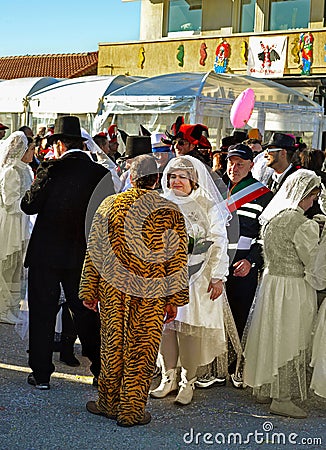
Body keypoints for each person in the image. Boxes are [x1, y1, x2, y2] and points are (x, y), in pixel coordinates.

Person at [80, 154, 189, 427]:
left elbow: (94, 251)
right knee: (142, 348)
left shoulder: (108, 205)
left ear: (131, 176)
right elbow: (177, 259)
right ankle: (131, 410)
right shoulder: (170, 211)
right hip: (151, 291)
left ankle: (108, 403)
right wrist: (174, 299)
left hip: (113, 288)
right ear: (156, 179)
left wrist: (88, 290)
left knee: (113, 344)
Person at [21, 116, 115, 390]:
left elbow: (29, 205)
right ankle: (100, 371)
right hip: (83, 257)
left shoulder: (51, 169)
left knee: (42, 313)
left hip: (46, 255)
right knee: (86, 313)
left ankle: (41, 375)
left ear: (60, 144)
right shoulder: (100, 173)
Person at [150, 156, 240, 405]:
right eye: (172, 176)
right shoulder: (161, 202)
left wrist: (219, 276)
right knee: (165, 329)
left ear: (193, 179)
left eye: (182, 177)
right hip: (165, 278)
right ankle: (167, 377)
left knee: (190, 331)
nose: (176, 181)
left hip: (198, 279)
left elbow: (219, 241)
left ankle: (187, 382)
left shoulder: (207, 204)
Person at [243, 169, 326, 418]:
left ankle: (264, 387)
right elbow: (312, 264)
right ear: (305, 195)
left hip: (271, 282)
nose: (313, 202)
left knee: (270, 334)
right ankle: (282, 397)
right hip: (293, 288)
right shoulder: (303, 224)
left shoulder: (273, 216)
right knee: (290, 339)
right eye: (312, 197)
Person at [198, 143, 273, 389]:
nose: (234, 167)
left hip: (242, 261)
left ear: (252, 165)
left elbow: (267, 236)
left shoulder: (263, 194)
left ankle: (233, 365)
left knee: (238, 314)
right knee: (214, 313)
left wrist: (252, 261)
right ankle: (215, 365)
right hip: (217, 260)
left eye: (240, 163)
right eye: (231, 162)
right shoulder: (218, 190)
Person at [0, 132, 35, 324]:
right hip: (11, 222)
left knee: (16, 267)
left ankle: (13, 306)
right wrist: (28, 203)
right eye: (30, 149)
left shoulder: (25, 169)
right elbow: (10, 201)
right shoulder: (12, 170)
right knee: (7, 265)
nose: (32, 152)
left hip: (21, 220)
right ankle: (3, 308)